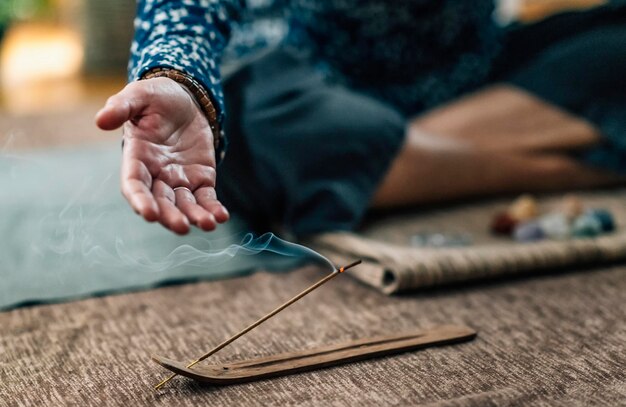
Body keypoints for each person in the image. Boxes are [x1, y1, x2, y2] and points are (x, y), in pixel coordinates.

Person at [96, 0, 626, 237]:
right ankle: (585, 166)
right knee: (240, 126)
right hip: (321, 91)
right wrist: (177, 76)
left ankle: (380, 162)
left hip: (481, 77)